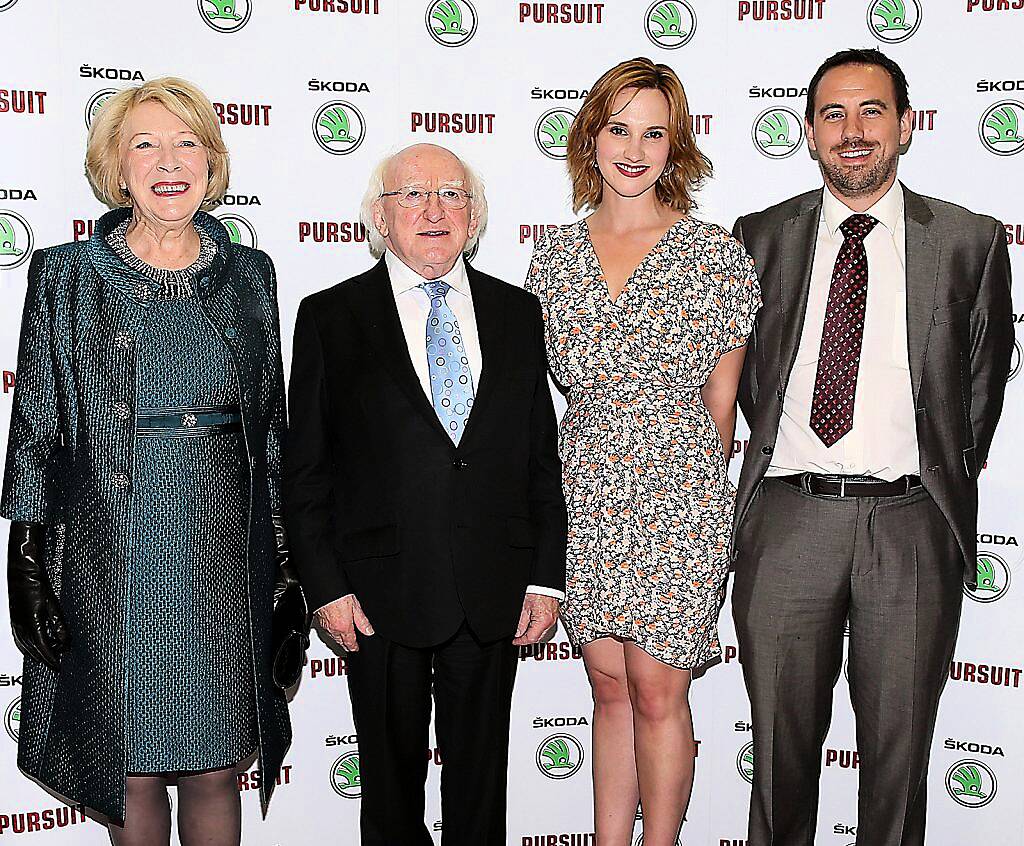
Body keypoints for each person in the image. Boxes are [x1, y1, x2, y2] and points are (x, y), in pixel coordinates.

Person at [731, 48, 1014, 845]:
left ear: (906, 125)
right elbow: (745, 379)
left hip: (912, 524)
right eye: (833, 114)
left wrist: (933, 478)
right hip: (789, 518)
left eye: (871, 112)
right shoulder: (758, 237)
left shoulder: (969, 240)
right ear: (810, 134)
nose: (853, 131)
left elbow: (982, 387)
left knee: (897, 762)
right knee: (780, 757)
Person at [2, 77, 294, 846]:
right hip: (111, 552)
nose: (169, 162)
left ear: (212, 160)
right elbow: (37, 424)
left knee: (213, 767)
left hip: (219, 554)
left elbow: (271, 438)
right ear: (116, 168)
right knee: (126, 766)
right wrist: (26, 554)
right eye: (146, 144)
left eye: (186, 142)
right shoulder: (69, 276)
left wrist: (290, 568)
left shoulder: (250, 277)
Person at [283, 143, 567, 846]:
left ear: (474, 217)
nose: (433, 209)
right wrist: (324, 586)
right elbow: (308, 470)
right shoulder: (330, 317)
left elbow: (540, 458)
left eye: (451, 194)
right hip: (376, 596)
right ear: (379, 218)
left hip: (492, 589)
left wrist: (546, 577)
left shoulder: (517, 314)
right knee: (388, 796)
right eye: (412, 195)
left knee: (480, 799)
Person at [526, 58, 761, 845]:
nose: (635, 148)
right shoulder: (554, 259)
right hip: (585, 488)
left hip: (679, 493)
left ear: (676, 144)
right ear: (589, 138)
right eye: (618, 128)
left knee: (659, 689)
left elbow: (722, 406)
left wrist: (690, 498)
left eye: (654, 131)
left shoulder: (714, 255)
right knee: (607, 686)